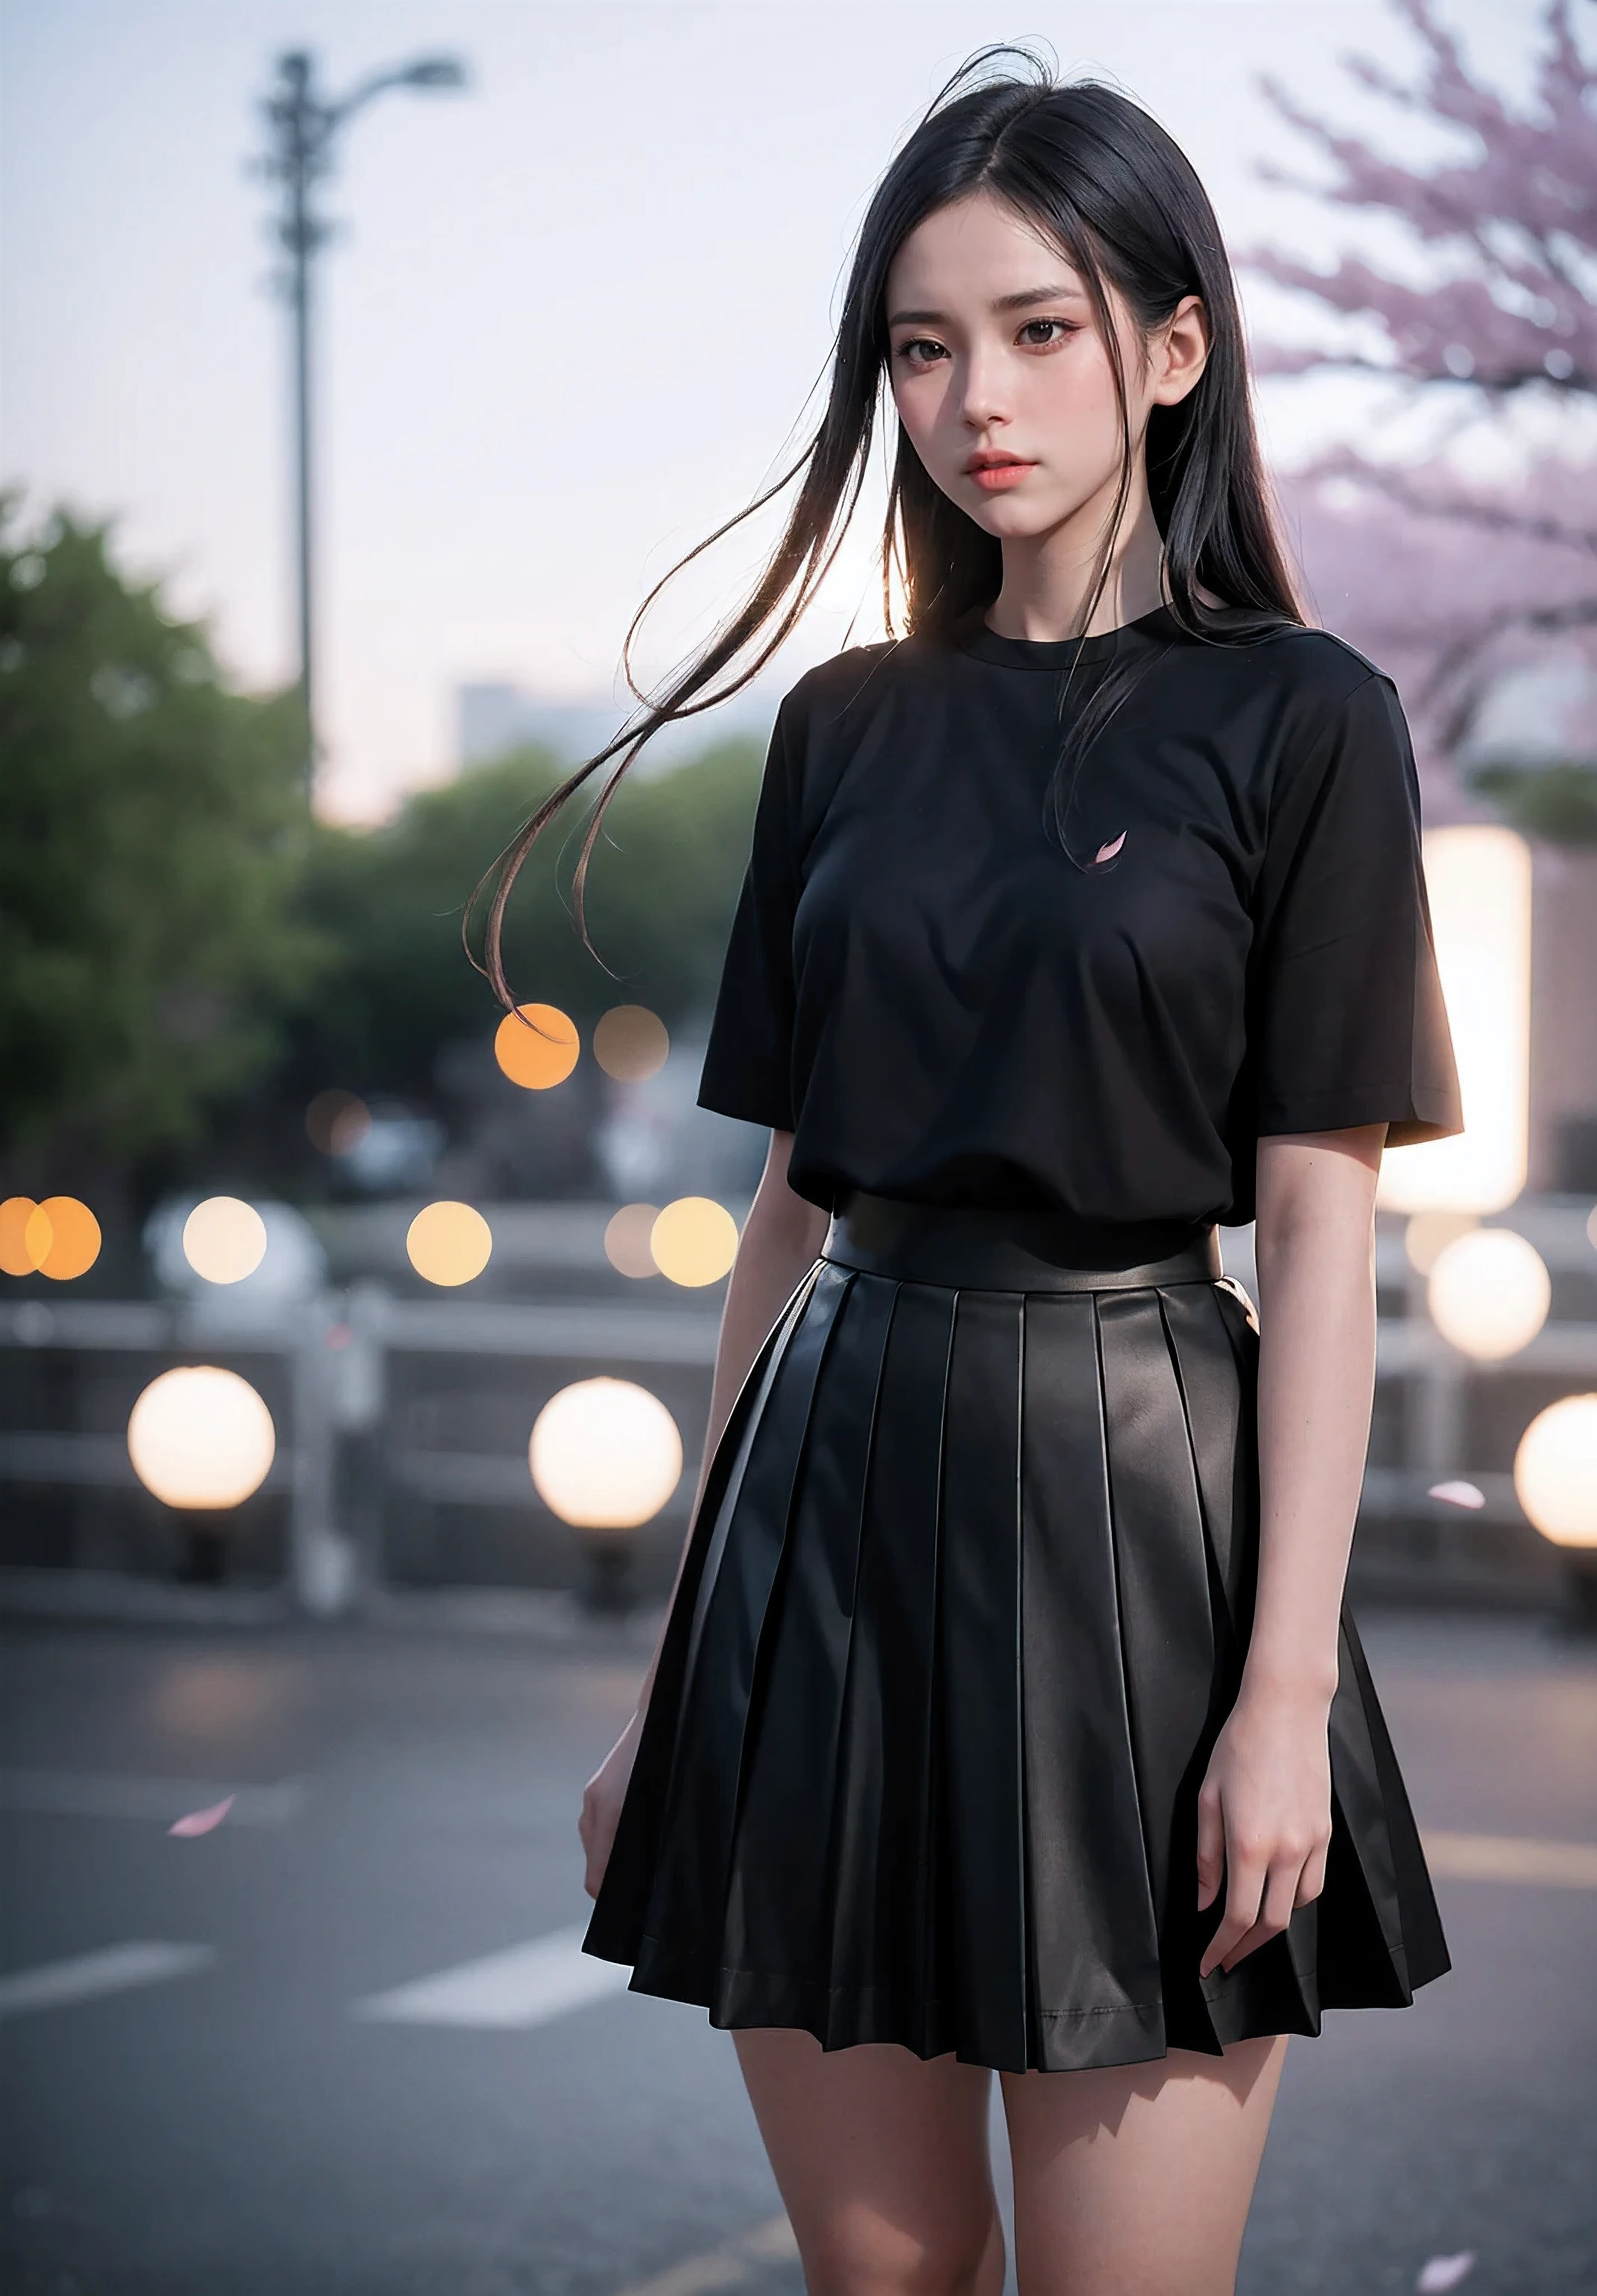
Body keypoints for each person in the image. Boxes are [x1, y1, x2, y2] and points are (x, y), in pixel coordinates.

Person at [478, 52, 1462, 2296]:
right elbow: (788, 1217)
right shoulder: (845, 729)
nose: (972, 396)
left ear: (1176, 345)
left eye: (1037, 327)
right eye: (922, 346)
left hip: (1142, 1516)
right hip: (820, 1514)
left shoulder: (1307, 717)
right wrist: (671, 1679)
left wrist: (1282, 1694)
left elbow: (1318, 1229)